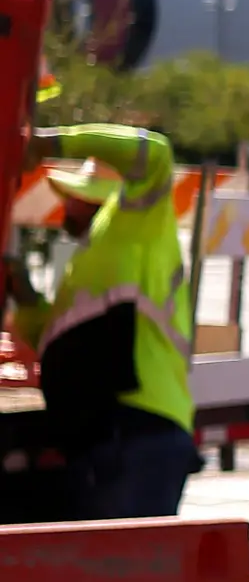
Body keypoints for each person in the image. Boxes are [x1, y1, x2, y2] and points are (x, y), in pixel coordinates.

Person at [13, 120, 197, 518]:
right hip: (110, 433)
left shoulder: (135, 223)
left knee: (122, 572)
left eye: (77, 196)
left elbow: (156, 152)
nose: (68, 204)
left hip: (139, 427)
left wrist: (50, 142)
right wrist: (22, 294)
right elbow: (59, 337)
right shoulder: (96, 255)